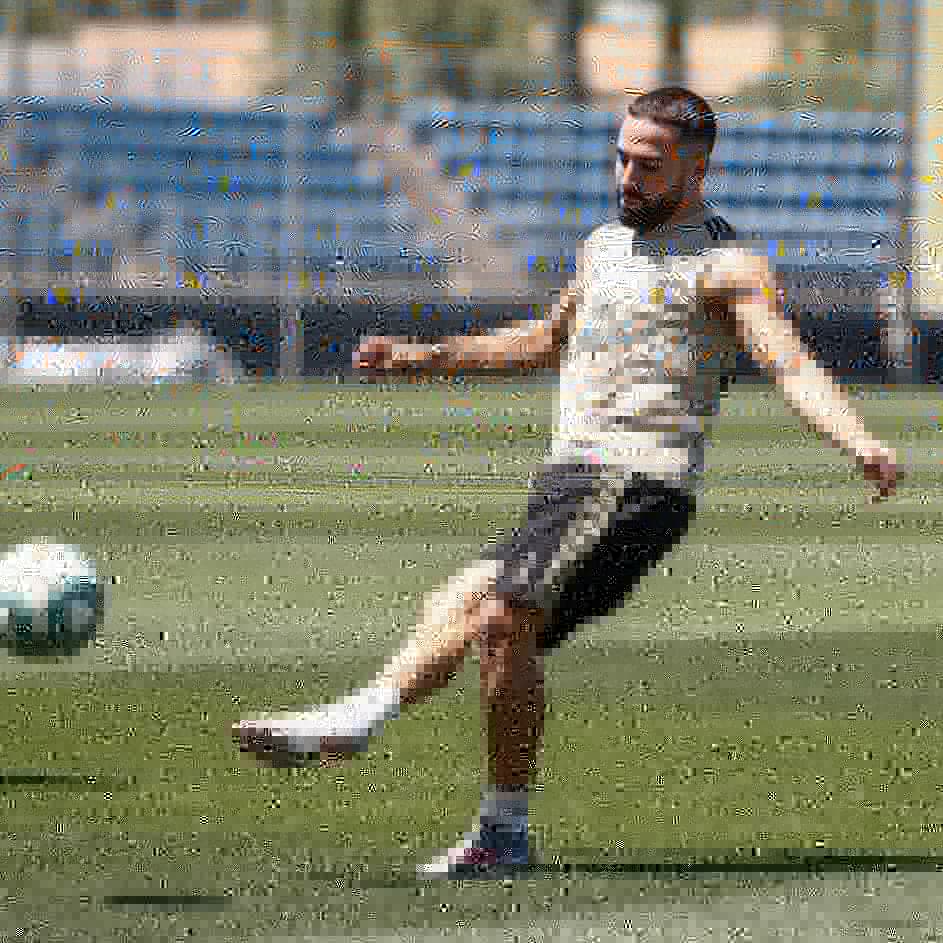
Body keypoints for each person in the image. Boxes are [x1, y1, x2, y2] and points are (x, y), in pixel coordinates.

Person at [233, 87, 901, 879]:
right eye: (621, 158)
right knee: (462, 609)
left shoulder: (727, 266)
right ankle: (488, 823)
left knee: (501, 612)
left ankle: (363, 723)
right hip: (569, 481)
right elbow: (547, 340)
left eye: (647, 165)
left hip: (635, 477)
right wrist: (426, 356)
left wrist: (856, 438)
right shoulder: (602, 248)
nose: (626, 177)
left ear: (695, 169)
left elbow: (785, 361)